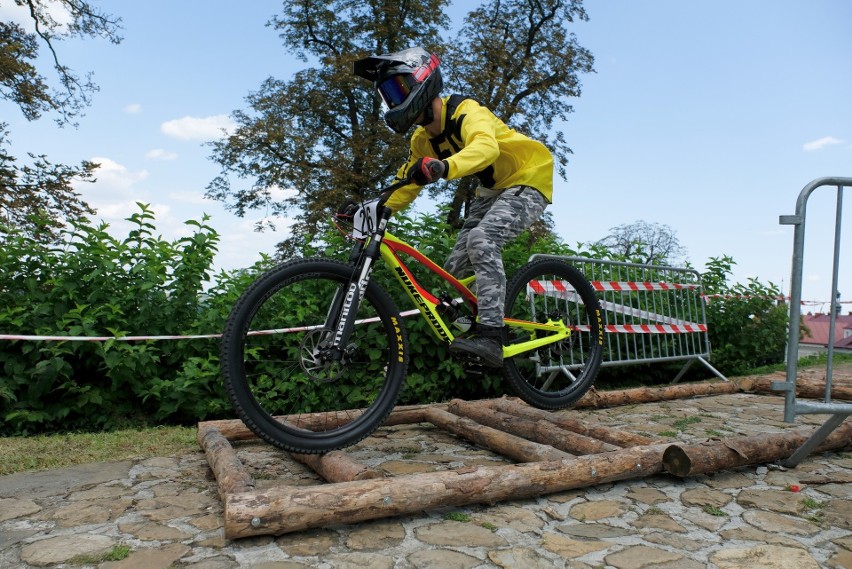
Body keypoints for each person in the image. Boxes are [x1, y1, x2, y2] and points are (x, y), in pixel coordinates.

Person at [354, 47, 554, 368]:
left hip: (529, 177)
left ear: (421, 80)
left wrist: (443, 167)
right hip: (491, 190)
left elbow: (485, 148)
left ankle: (492, 335)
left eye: (397, 90)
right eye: (387, 96)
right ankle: (475, 328)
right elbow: (406, 182)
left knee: (482, 241)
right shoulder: (421, 141)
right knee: (452, 274)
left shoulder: (465, 110)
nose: (393, 101)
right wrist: (372, 208)